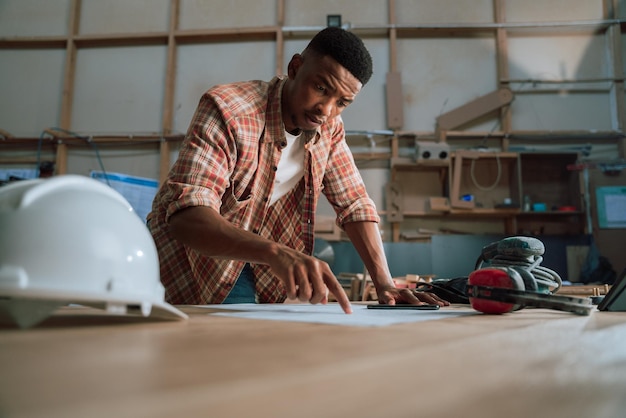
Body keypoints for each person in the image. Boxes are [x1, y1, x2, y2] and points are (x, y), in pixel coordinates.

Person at [147, 27, 449, 313]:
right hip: (191, 261)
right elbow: (187, 217)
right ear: (294, 68)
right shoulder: (228, 110)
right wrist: (275, 252)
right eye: (320, 88)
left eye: (342, 102)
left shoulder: (329, 128)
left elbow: (354, 203)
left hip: (259, 264)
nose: (326, 110)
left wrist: (384, 283)